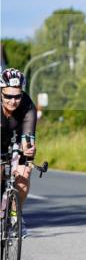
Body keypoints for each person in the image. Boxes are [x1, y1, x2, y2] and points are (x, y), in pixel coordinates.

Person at [1, 69, 37, 222]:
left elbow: (27, 138)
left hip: (14, 141)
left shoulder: (28, 105)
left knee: (24, 176)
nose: (13, 101)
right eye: (8, 96)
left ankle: (14, 218)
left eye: (17, 96)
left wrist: (28, 151)